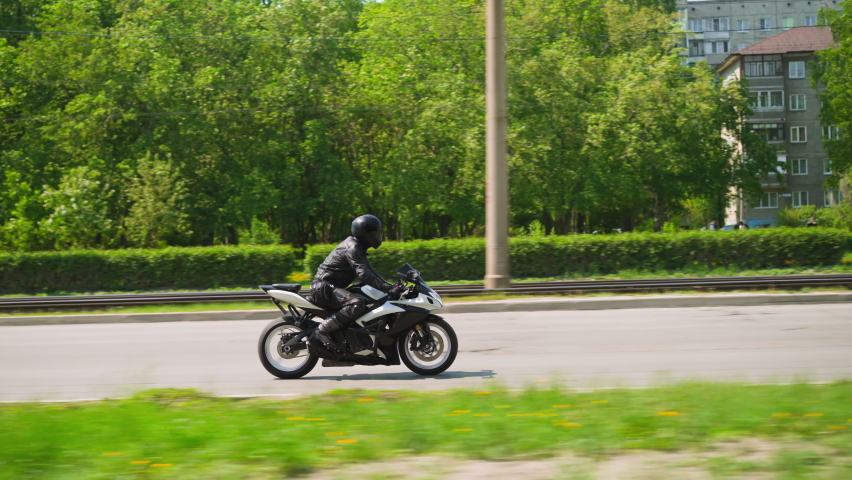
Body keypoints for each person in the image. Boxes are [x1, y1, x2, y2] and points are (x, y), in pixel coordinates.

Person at [309, 215, 404, 348]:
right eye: (376, 233)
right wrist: (387, 289)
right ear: (366, 233)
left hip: (331, 287)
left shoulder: (358, 247)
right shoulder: (352, 248)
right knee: (356, 303)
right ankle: (322, 330)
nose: (379, 236)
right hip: (324, 288)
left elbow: (371, 272)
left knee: (367, 295)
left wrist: (390, 286)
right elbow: (363, 274)